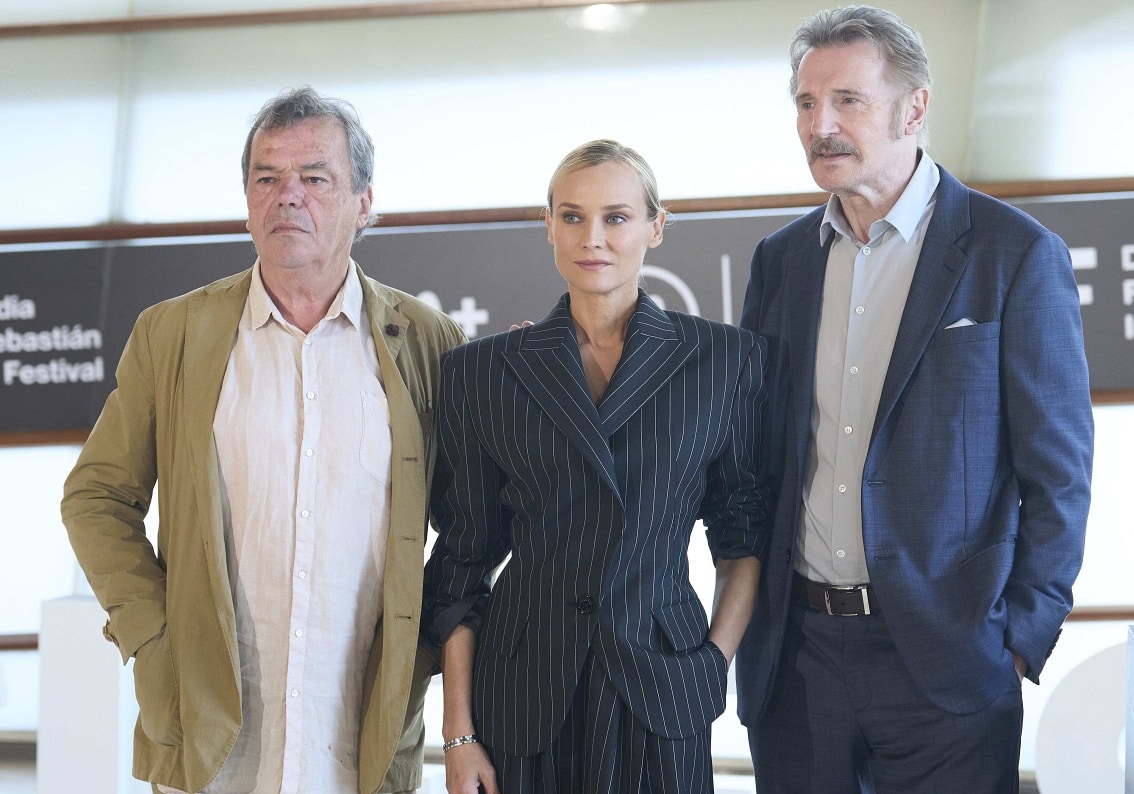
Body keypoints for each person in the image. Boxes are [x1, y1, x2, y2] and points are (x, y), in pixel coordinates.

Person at [61, 86, 467, 794]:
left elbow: (472, 527)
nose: (289, 197)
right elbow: (95, 496)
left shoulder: (428, 343)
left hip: (359, 732)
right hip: (212, 735)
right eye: (266, 177)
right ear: (246, 198)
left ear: (362, 202)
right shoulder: (173, 333)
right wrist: (152, 630)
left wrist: (422, 646)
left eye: (315, 178)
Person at [735, 6, 1094, 792]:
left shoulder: (1016, 254)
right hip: (796, 663)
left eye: (846, 101)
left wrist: (1022, 635)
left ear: (915, 107)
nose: (819, 125)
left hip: (949, 661)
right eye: (804, 102)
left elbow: (1058, 474)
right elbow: (753, 452)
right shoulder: (781, 261)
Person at [423, 139, 770, 794]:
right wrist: (458, 734)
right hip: (522, 688)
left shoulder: (724, 363)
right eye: (573, 216)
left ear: (654, 227)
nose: (594, 237)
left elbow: (743, 540)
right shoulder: (482, 372)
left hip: (663, 684)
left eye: (616, 216)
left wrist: (711, 665)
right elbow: (462, 564)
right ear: (549, 226)